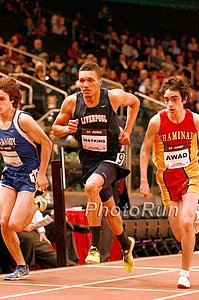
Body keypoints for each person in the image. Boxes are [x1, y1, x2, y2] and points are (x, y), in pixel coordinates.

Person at [52, 62, 140, 272]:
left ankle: (94, 246)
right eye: (82, 80)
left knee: (91, 187)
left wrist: (127, 131)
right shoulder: (72, 102)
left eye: (90, 80)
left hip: (111, 155)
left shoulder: (113, 97)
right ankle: (126, 245)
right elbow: (55, 129)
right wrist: (66, 128)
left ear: (100, 82)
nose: (86, 84)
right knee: (110, 211)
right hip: (89, 160)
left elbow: (135, 102)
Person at [140, 76, 199, 289]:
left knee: (185, 223)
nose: (170, 104)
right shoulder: (156, 121)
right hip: (166, 182)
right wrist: (144, 180)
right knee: (179, 233)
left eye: (174, 99)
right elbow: (145, 149)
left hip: (190, 176)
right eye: (166, 99)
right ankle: (196, 218)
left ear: (184, 99)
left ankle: (184, 273)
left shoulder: (194, 120)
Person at [0, 76, 52, 280]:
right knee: (3, 223)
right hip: (9, 173)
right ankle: (21, 266)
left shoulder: (23, 120)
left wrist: (42, 173)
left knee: (16, 225)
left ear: (13, 99)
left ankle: (38, 203)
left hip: (28, 174)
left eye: (2, 99)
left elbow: (46, 143)